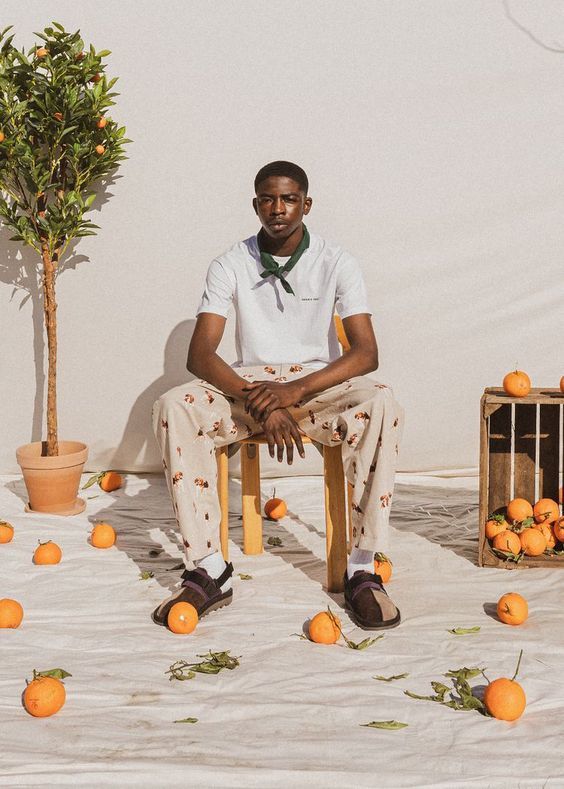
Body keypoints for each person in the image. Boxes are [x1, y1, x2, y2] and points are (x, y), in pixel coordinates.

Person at [151, 160, 404, 631]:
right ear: (255, 205)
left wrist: (293, 392)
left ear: (306, 205)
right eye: (268, 199)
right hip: (250, 388)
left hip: (313, 388)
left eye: (289, 199)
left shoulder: (337, 261)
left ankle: (364, 568)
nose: (278, 208)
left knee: (382, 402)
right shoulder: (229, 262)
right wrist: (257, 400)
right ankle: (208, 568)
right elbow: (200, 354)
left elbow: (366, 353)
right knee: (173, 406)